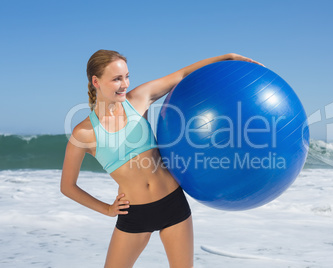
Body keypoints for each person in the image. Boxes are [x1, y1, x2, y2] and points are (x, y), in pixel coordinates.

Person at [60, 49, 263, 268]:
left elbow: (182, 75)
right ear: (96, 81)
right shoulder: (84, 133)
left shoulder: (137, 99)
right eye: (117, 79)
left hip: (172, 203)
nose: (125, 84)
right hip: (134, 213)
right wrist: (107, 209)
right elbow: (68, 186)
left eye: (127, 76)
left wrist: (227, 58)